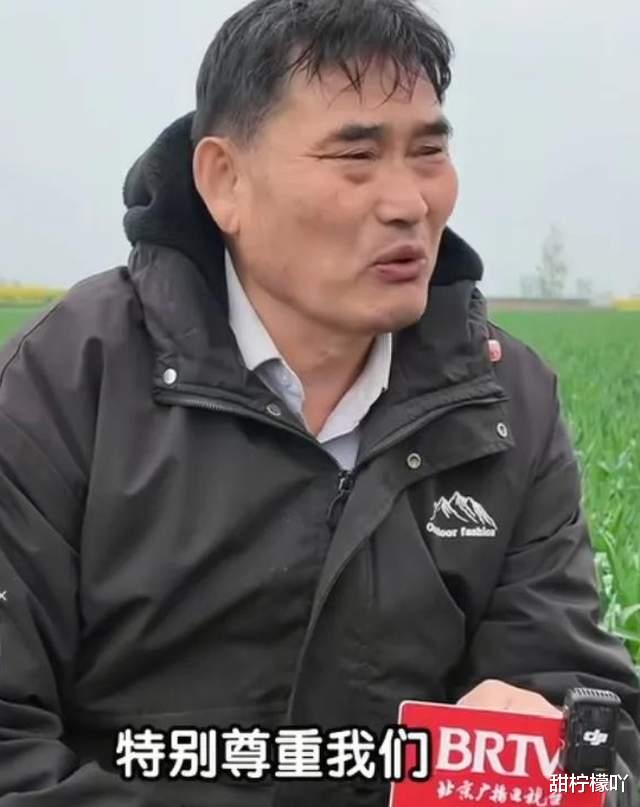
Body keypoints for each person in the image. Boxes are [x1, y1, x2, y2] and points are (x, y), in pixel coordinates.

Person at [0, 0, 638, 805]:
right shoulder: (67, 382)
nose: (409, 202)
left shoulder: (505, 403)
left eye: (429, 151)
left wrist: (560, 758)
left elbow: (596, 730)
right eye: (355, 156)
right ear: (224, 181)